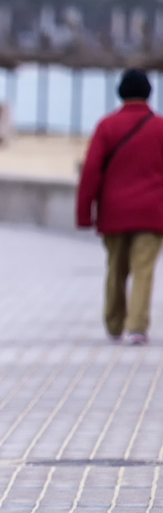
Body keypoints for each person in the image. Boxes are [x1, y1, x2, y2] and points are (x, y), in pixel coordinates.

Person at [77, 68, 163, 345]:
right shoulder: (160, 127)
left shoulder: (107, 126)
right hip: (152, 212)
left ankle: (114, 323)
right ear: (149, 94)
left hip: (114, 212)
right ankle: (137, 327)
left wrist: (84, 214)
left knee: (116, 268)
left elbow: (91, 171)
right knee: (143, 269)